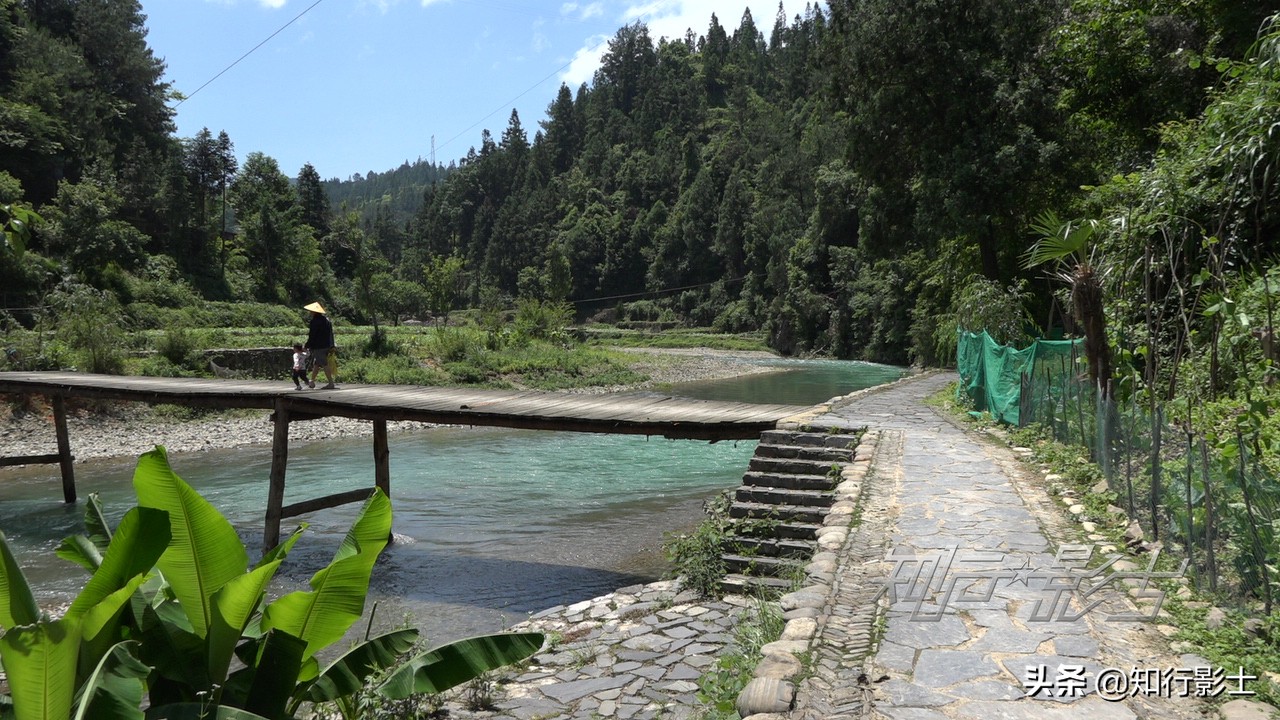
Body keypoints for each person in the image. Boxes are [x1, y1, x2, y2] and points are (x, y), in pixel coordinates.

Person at [303, 301, 337, 389]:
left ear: (314, 312)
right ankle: (312, 381)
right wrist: (332, 345)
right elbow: (331, 334)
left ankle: (331, 383)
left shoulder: (315, 321)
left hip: (319, 346)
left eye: (311, 311)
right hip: (327, 345)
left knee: (324, 363)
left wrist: (307, 345)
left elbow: (312, 335)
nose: (310, 312)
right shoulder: (327, 320)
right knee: (317, 363)